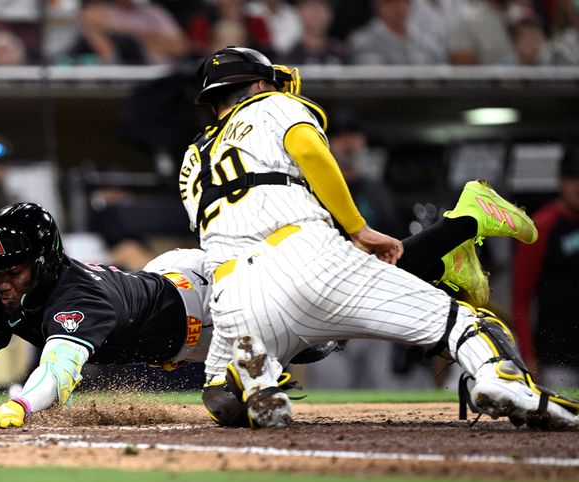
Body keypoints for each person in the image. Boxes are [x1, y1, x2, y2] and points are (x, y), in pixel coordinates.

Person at [0, 188, 541, 428]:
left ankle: (463, 221)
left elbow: (60, 365)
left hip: (207, 303)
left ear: (47, 259)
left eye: (15, 269)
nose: (4, 285)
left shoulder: (73, 293)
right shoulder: (6, 286)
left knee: (346, 302)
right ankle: (450, 248)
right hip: (179, 301)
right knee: (337, 310)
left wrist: (25, 405)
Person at [179, 46, 578, 429]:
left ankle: (253, 380)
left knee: (220, 390)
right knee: (462, 323)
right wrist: (358, 228)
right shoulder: (274, 105)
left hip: (236, 294)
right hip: (304, 254)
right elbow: (311, 151)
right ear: (260, 85)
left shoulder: (192, 158)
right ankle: (500, 377)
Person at [513, 144, 579, 387]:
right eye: (573, 178)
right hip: (555, 359)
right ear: (561, 180)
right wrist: (528, 356)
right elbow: (521, 296)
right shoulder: (542, 225)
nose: (578, 186)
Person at [348, 0, 443, 65]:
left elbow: (442, 70)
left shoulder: (427, 39)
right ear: (379, 5)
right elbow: (375, 78)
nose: (401, 7)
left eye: (406, 1)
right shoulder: (362, 41)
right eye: (392, 2)